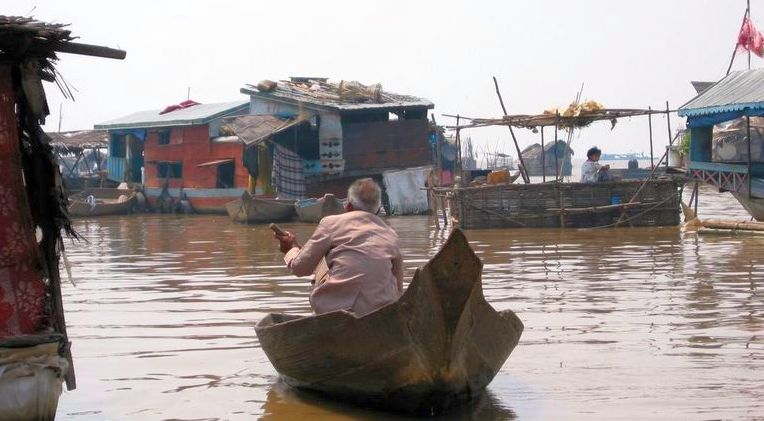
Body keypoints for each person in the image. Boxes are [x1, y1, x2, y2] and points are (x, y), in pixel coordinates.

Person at [274, 178, 404, 317]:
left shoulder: (330, 223)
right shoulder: (391, 235)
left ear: (347, 207)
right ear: (378, 210)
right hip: (380, 316)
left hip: (335, 314)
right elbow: (399, 289)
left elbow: (300, 268)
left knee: (323, 271)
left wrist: (291, 249)